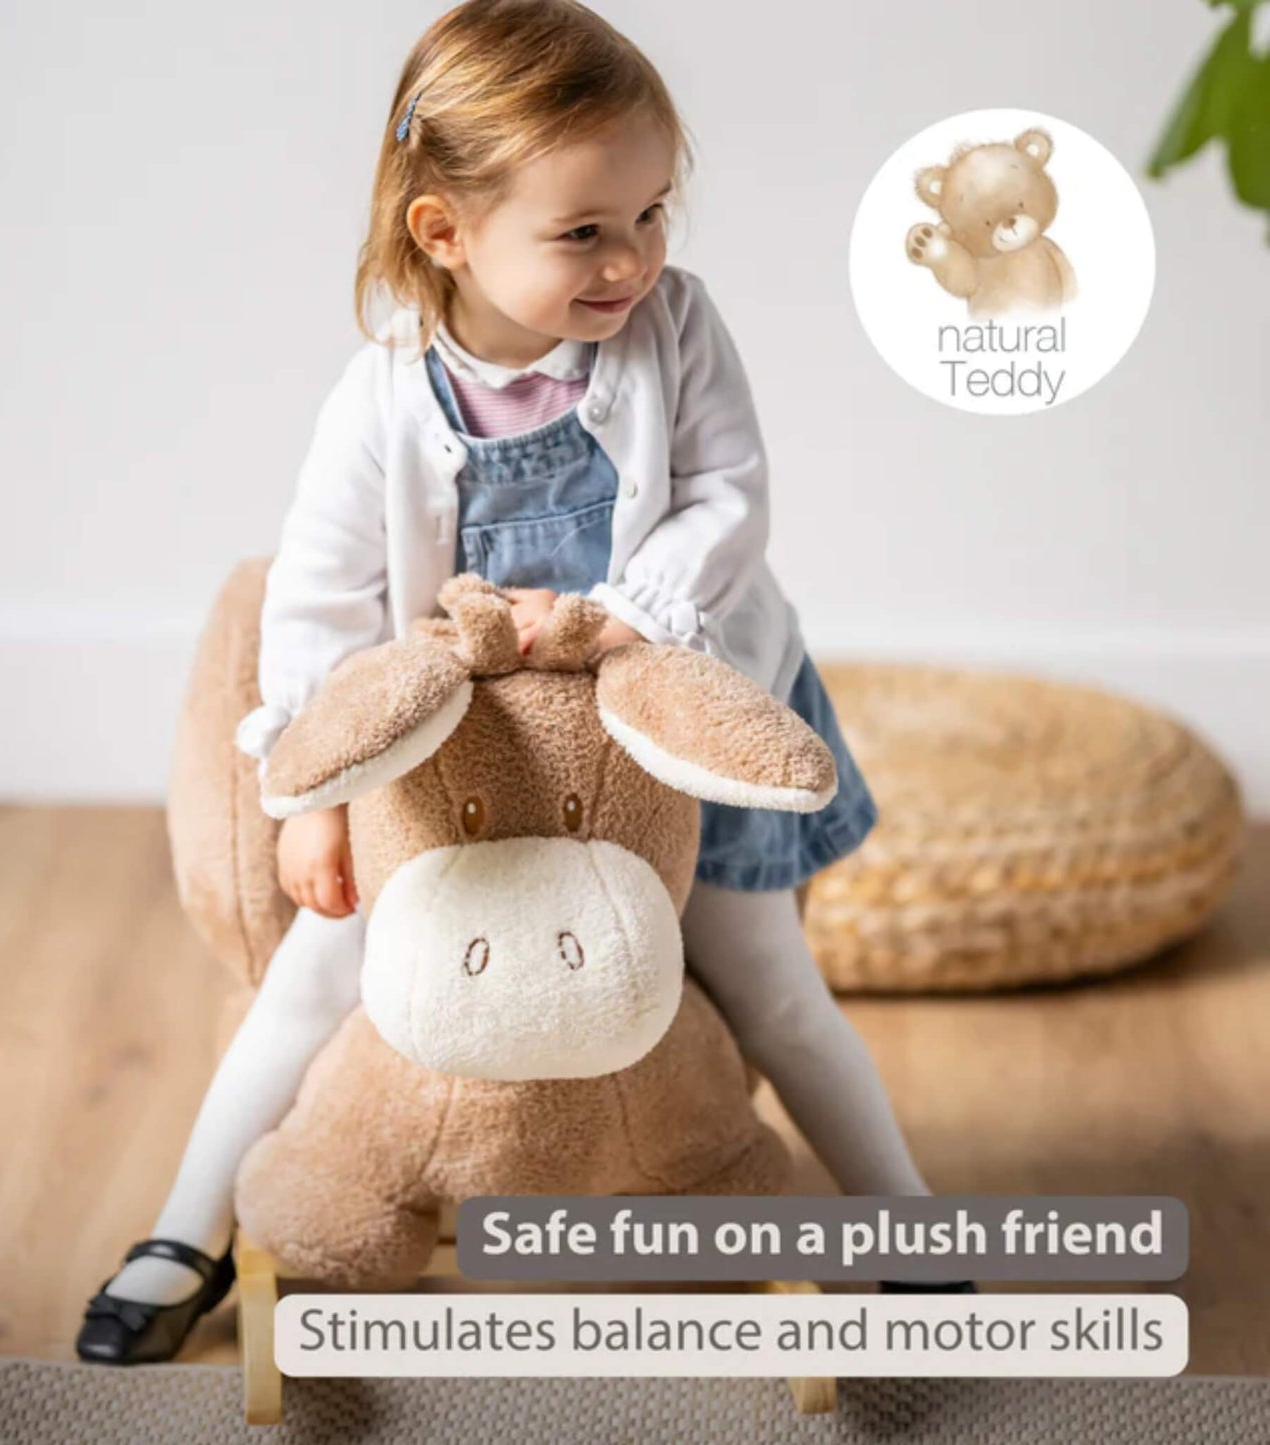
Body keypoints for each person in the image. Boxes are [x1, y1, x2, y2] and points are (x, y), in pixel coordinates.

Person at [77, 0, 959, 1367]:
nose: (635, 261)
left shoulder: (676, 330)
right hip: (468, 782)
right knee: (315, 981)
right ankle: (183, 1229)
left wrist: (623, 620)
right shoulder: (379, 402)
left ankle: (901, 1225)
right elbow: (319, 607)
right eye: (586, 231)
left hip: (671, 726)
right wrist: (314, 796)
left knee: (771, 985)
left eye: (655, 214)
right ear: (445, 232)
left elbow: (727, 497)